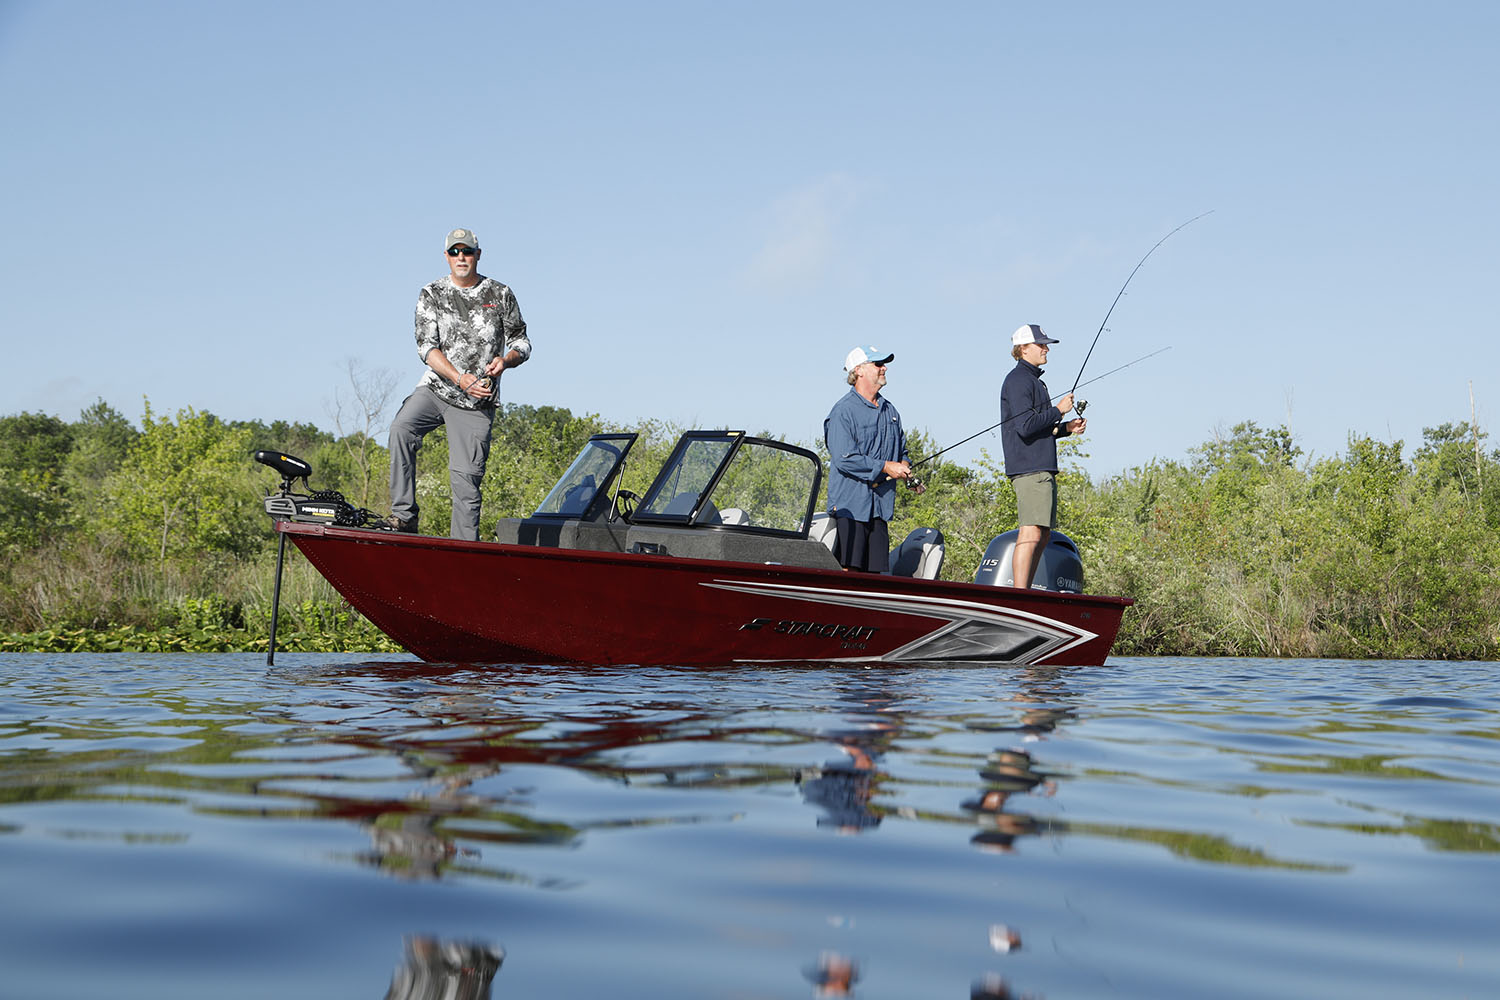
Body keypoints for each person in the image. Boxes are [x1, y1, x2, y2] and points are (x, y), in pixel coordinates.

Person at [383, 228, 531, 539]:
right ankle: (404, 516)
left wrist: (506, 361)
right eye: (454, 252)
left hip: (477, 401)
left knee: (465, 481)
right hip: (437, 390)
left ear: (478, 254)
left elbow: (522, 342)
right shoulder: (431, 294)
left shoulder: (500, 294)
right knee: (401, 429)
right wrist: (458, 377)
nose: (461, 257)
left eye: (467, 251)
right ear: (447, 257)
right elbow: (427, 347)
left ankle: (463, 552)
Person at [1000, 324, 1085, 590]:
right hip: (1029, 467)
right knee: (1031, 530)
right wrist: (1059, 410)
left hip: (1041, 465)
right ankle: (1020, 594)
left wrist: (1066, 428)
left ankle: (1024, 592)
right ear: (1023, 349)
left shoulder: (1035, 381)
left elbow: (1040, 426)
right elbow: (1025, 426)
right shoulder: (1018, 381)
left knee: (1043, 533)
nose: (1046, 349)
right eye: (1041, 345)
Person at [823, 345, 923, 572]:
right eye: (878, 364)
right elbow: (844, 458)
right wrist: (887, 467)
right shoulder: (842, 412)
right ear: (858, 370)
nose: (884, 368)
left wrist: (905, 472)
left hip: (880, 509)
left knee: (875, 577)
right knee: (849, 574)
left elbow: (902, 453)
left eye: (884, 364)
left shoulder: (891, 411)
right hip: (851, 509)